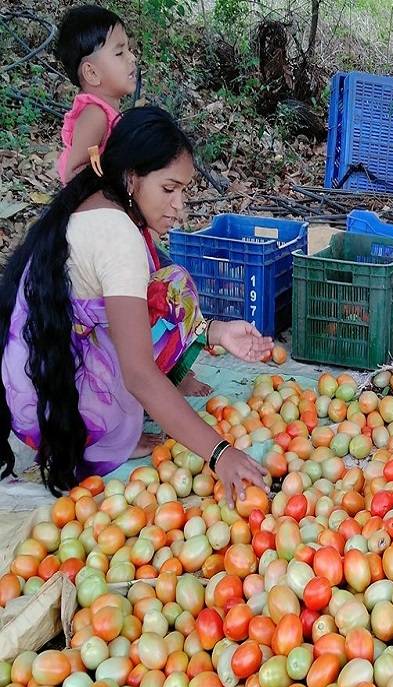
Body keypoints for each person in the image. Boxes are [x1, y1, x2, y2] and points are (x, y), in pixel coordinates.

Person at [0, 106, 270, 501]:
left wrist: (216, 331)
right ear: (131, 178)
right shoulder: (119, 236)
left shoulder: (96, 201)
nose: (179, 205)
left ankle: (107, 415)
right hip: (49, 411)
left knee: (171, 287)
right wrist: (219, 453)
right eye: (168, 189)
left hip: (32, 380)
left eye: (184, 191)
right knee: (166, 306)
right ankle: (99, 433)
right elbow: (139, 375)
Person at [55, 5, 138, 184]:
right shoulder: (95, 115)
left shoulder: (105, 112)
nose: (132, 58)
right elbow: (74, 172)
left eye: (129, 50)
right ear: (92, 73)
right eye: (119, 53)